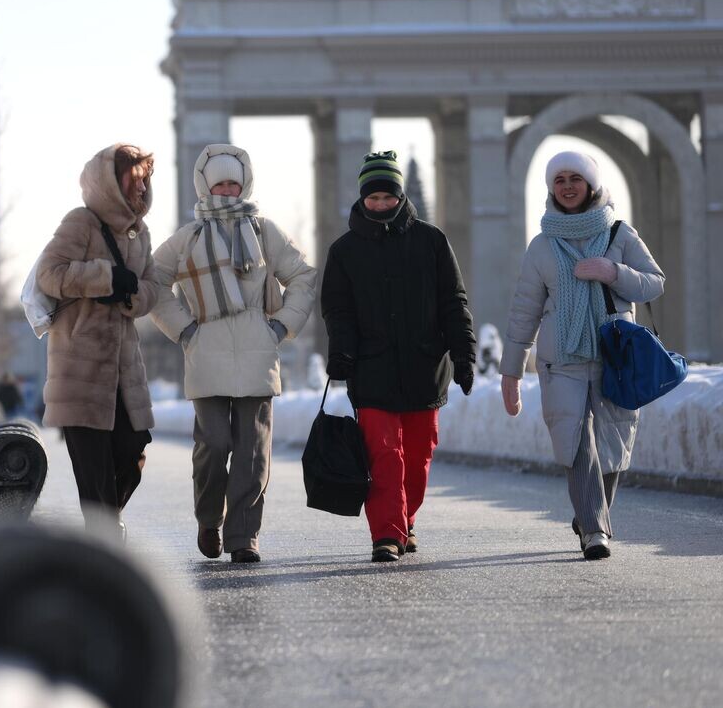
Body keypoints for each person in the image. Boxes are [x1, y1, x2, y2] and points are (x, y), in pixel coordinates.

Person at [150, 144, 315, 563]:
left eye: (233, 182)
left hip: (259, 355)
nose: (227, 189)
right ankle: (210, 519)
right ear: (206, 185)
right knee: (214, 444)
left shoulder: (265, 231)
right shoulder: (188, 238)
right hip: (206, 356)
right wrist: (184, 330)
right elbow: (152, 284)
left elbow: (302, 277)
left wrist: (281, 326)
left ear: (245, 184)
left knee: (253, 451)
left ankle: (244, 536)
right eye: (220, 182)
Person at [500, 151, 664, 560]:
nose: (567, 186)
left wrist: (613, 273)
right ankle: (594, 529)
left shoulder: (620, 234)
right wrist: (511, 371)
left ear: (590, 185)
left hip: (615, 358)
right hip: (561, 362)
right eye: (559, 180)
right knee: (576, 443)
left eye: (576, 178)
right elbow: (525, 311)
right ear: (551, 189)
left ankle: (593, 511)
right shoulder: (540, 245)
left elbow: (654, 283)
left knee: (613, 443)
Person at [319, 150, 475, 563]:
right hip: (371, 370)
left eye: (388, 197)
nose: (381, 204)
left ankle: (405, 519)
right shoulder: (344, 251)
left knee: (419, 457)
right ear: (363, 198)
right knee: (384, 454)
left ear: (401, 196)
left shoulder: (432, 241)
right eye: (374, 198)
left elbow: (453, 302)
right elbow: (337, 310)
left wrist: (464, 355)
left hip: (426, 367)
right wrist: (341, 353)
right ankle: (386, 534)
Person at [37, 144, 158, 541]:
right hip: (80, 369)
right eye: (134, 178)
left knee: (134, 448)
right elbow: (49, 275)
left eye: (145, 178)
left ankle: (107, 524)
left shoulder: (140, 234)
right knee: (93, 468)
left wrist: (131, 294)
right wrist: (104, 278)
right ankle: (104, 539)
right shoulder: (81, 223)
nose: (141, 186)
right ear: (111, 183)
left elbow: (153, 290)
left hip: (125, 368)